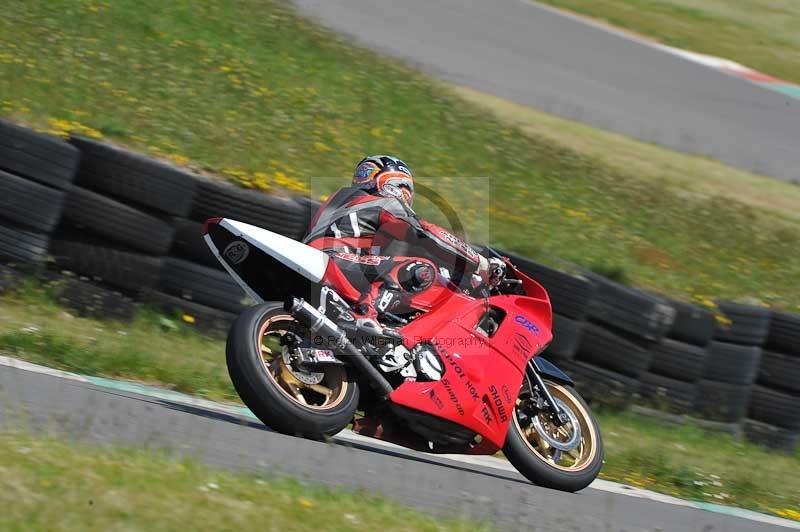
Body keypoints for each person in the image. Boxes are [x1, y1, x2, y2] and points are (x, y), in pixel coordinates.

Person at [303, 155, 505, 318]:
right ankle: (365, 316)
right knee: (421, 270)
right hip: (336, 260)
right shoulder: (384, 203)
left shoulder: (341, 199)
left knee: (390, 278)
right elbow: (425, 234)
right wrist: (478, 262)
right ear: (396, 185)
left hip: (319, 260)